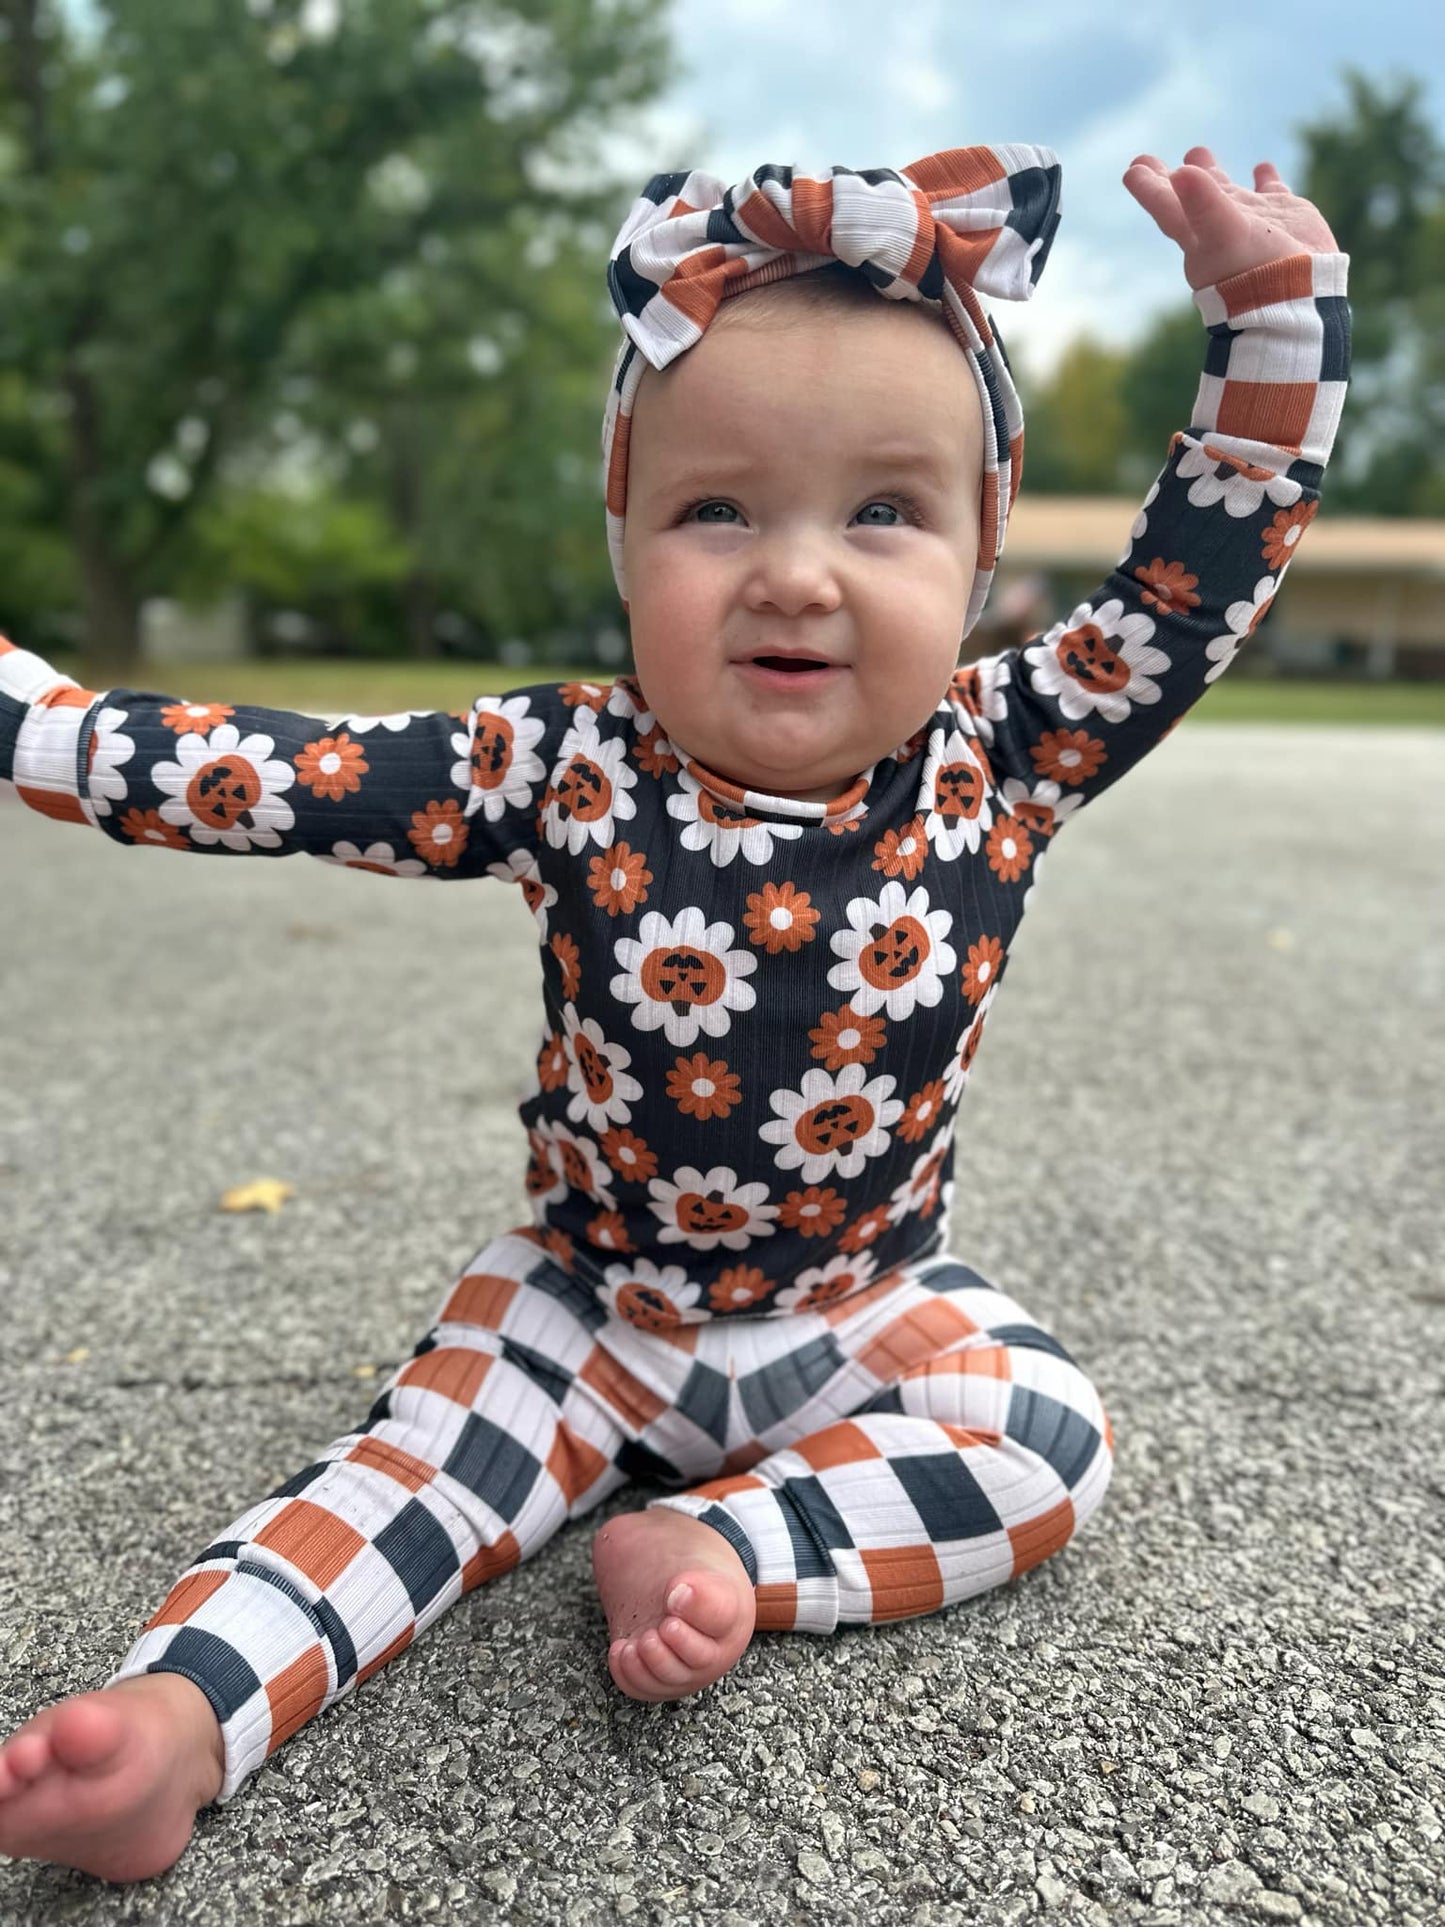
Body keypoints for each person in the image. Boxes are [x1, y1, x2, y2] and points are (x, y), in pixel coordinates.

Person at [0, 142, 1350, 1882]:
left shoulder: (1008, 750)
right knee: (409, 1480)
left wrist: (1268, 320)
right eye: (718, 510)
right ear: (627, 538)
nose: (796, 572)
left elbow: (1201, 564)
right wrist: (41, 728)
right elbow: (283, 770)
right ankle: (181, 1720)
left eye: (884, 510)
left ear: (981, 552)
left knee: (1045, 1442)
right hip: (586, 1299)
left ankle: (734, 1546)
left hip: (858, 1305)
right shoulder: (561, 765)